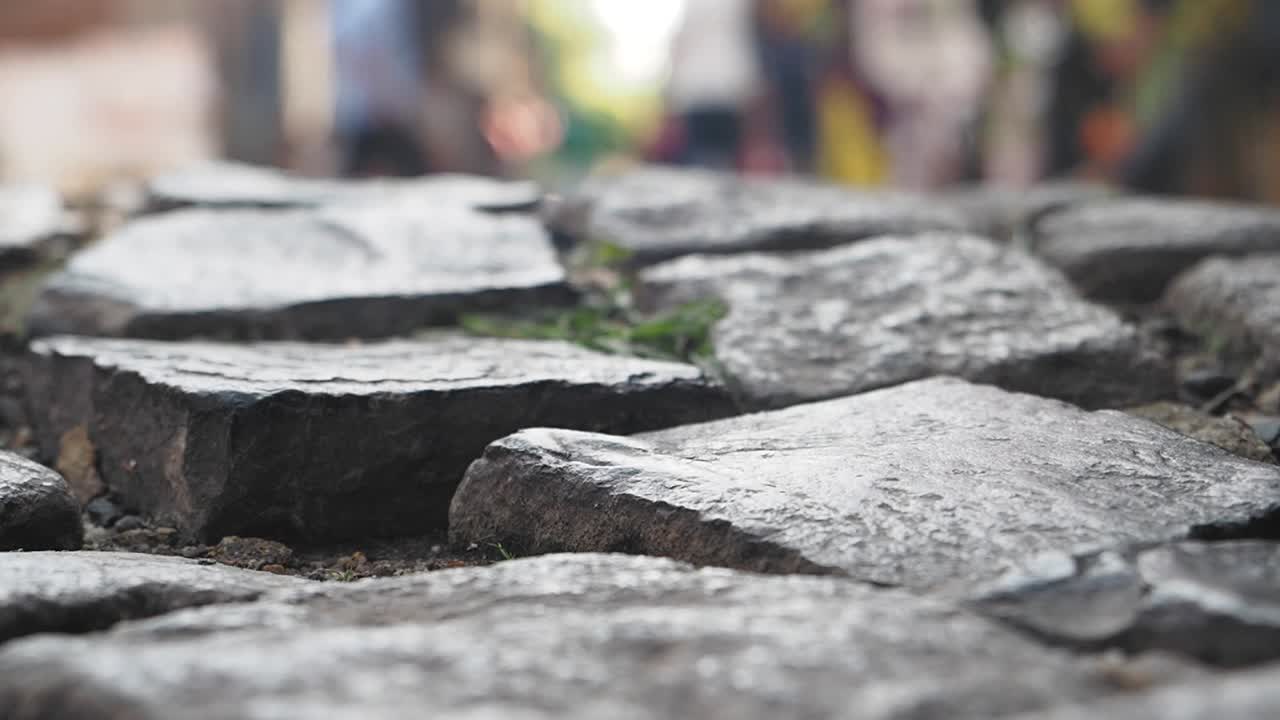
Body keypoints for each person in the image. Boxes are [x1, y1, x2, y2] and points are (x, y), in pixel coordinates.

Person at [330, 0, 427, 177]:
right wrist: (384, 98)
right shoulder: (369, 7)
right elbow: (363, 52)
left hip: (386, 110)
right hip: (376, 113)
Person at [664, 0, 762, 170]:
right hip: (723, 83)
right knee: (720, 153)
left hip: (710, 85)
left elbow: (681, 39)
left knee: (706, 153)